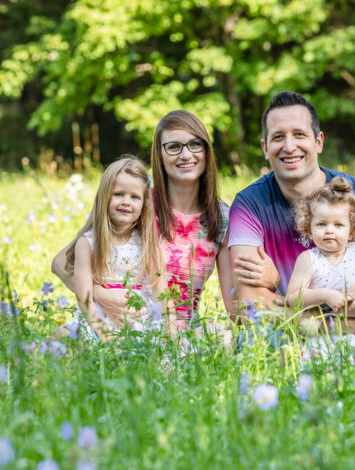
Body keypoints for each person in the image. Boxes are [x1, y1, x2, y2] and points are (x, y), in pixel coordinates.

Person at [229, 91, 355, 350]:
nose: (289, 147)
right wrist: (323, 323)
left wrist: (336, 315)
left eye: (299, 135)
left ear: (318, 142)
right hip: (293, 331)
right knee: (254, 337)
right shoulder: (249, 205)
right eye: (278, 137)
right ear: (265, 148)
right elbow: (249, 303)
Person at [52, 110, 236, 329]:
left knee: (222, 336)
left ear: (207, 150)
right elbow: (61, 262)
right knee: (63, 338)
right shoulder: (137, 202)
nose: (186, 155)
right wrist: (100, 295)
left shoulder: (221, 216)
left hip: (182, 329)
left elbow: (234, 304)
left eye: (195, 144)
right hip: (127, 321)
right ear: (159, 155)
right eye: (174, 147)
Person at [58, 156, 167, 342]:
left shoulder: (147, 242)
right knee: (69, 338)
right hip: (99, 319)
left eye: (135, 197)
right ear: (104, 196)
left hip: (137, 319)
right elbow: (84, 299)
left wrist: (168, 334)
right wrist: (106, 338)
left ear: (144, 204)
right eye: (118, 194)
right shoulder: (88, 243)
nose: (126, 201)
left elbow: (161, 292)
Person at [286, 176, 355, 314]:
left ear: (351, 231)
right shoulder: (309, 259)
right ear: (309, 230)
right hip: (320, 330)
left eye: (338, 225)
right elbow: (292, 297)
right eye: (321, 224)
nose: (329, 230)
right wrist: (324, 296)